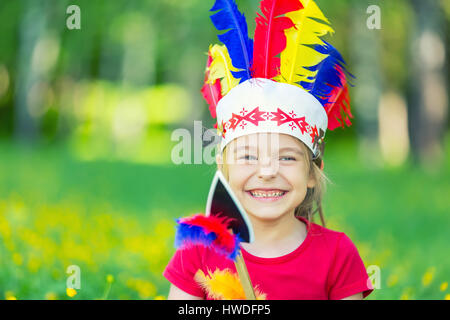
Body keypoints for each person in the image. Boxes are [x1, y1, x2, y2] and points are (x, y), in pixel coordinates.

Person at [163, 0, 374, 300]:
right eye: (248, 156)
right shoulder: (199, 250)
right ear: (223, 167)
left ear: (313, 172)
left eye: (287, 157)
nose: (267, 171)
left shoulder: (337, 255)